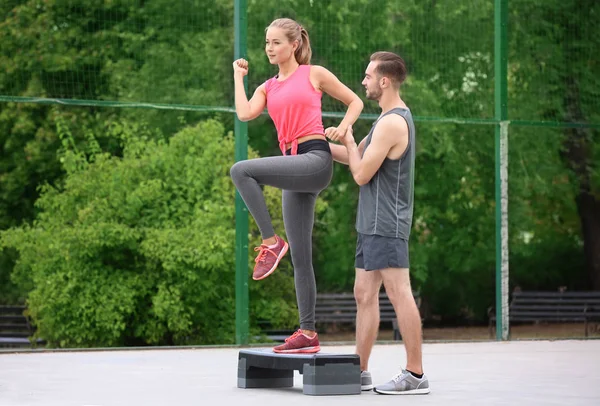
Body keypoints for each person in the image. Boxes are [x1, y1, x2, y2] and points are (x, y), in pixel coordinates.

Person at [230, 17, 363, 354]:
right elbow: (245, 114)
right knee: (302, 259)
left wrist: (343, 128)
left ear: (293, 45)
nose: (269, 48)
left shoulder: (312, 73)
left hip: (315, 159)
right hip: (294, 167)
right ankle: (307, 333)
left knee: (241, 171)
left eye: (276, 42)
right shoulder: (267, 86)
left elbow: (355, 102)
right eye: (266, 43)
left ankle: (271, 242)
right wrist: (238, 77)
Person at [326, 51, 430, 394]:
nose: (363, 82)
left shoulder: (392, 123)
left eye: (368, 76)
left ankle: (415, 374)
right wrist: (314, 144)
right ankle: (360, 370)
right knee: (363, 293)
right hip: (370, 224)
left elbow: (360, 173)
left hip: (387, 223)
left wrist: (349, 137)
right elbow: (352, 158)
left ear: (385, 81)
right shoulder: (385, 119)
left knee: (399, 292)